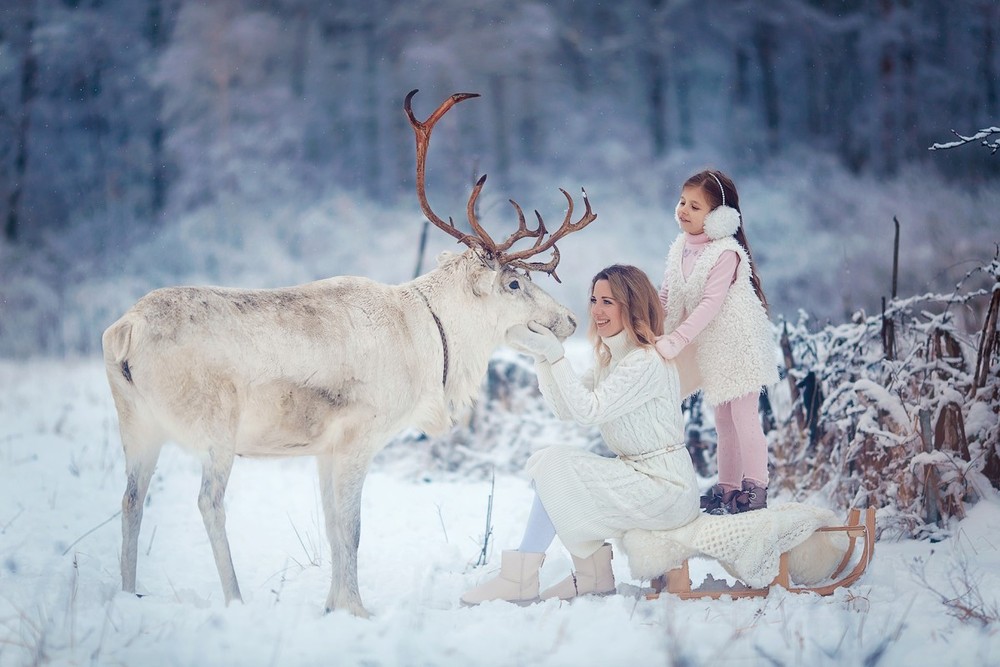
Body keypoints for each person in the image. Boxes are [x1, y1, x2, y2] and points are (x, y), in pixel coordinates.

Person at [460, 264, 700, 606]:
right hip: (641, 475)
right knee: (546, 461)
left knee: (558, 464)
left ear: (631, 306)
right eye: (593, 300)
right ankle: (593, 576)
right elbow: (566, 409)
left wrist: (556, 355)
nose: (596, 311)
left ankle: (520, 578)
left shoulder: (645, 362)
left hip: (666, 488)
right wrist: (544, 357)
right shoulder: (610, 359)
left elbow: (589, 411)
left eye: (608, 302)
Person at [655, 169, 779, 515]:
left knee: (743, 416)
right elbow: (667, 296)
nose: (683, 210)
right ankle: (728, 487)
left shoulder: (726, 252)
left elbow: (710, 303)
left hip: (739, 343)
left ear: (721, 218)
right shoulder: (679, 248)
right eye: (682, 202)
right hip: (713, 347)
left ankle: (755, 487)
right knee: (722, 420)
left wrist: (678, 339)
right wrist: (651, 331)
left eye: (695, 207)